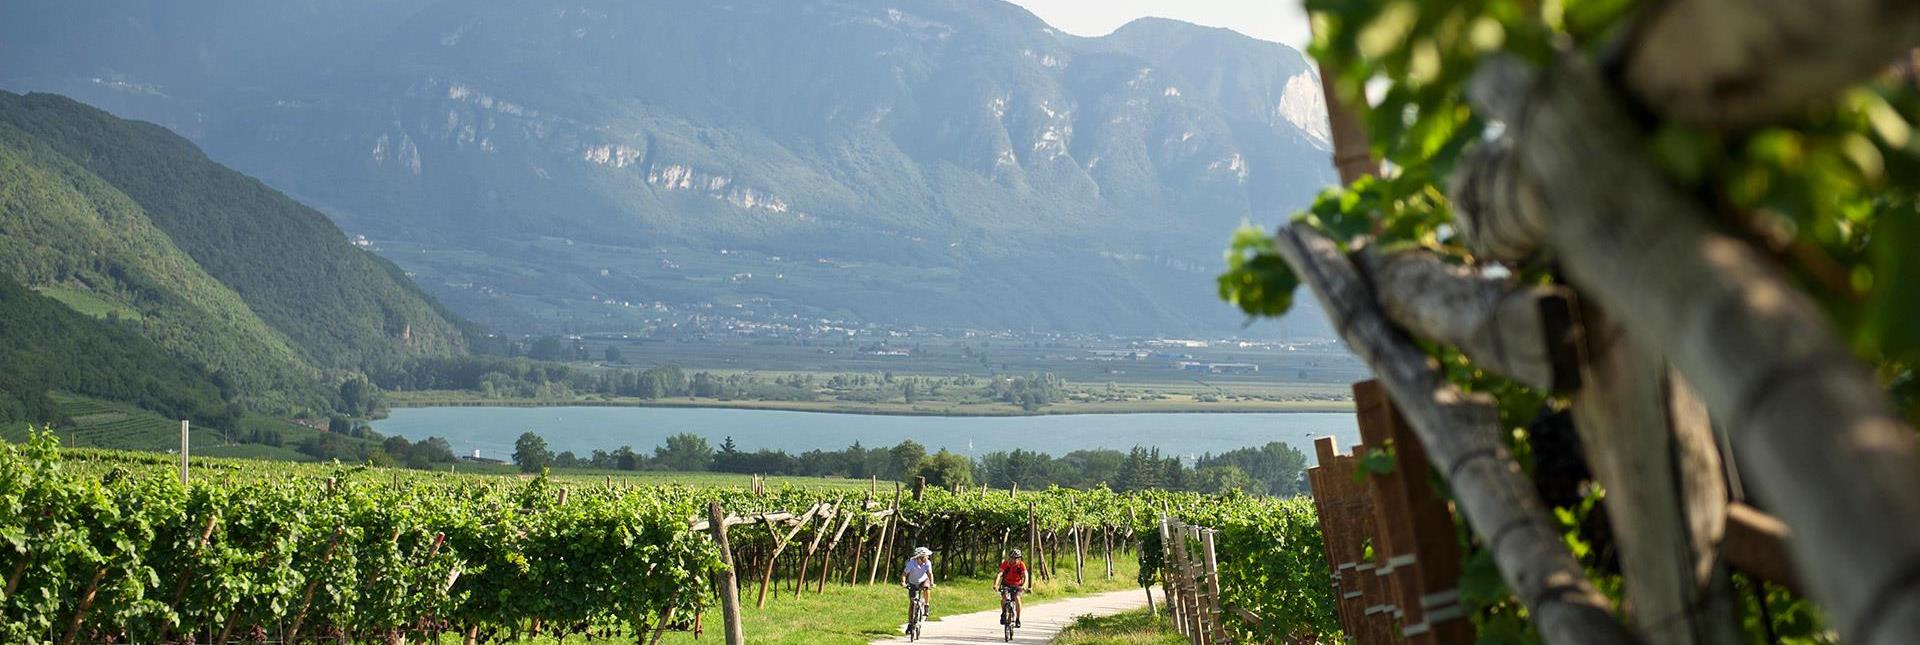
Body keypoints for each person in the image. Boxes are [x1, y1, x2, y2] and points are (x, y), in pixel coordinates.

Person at [994, 548, 1030, 628]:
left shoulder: (1021, 565)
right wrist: (996, 584)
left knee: (1017, 598)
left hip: (1017, 585)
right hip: (1006, 584)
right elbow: (999, 574)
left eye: (1015, 558)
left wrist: (1024, 586)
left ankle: (1017, 619)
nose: (1012, 560)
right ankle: (1004, 613)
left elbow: (1026, 576)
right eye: (1011, 558)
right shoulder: (1006, 563)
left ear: (1019, 559)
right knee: (1004, 597)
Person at [902, 546, 935, 628]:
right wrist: (903, 582)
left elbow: (930, 574)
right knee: (912, 603)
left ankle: (926, 605)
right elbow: (904, 574)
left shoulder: (927, 563)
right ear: (921, 557)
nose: (928, 557)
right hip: (913, 582)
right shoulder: (911, 563)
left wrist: (931, 583)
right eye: (926, 556)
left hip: (923, 580)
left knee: (926, 587)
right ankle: (910, 623)